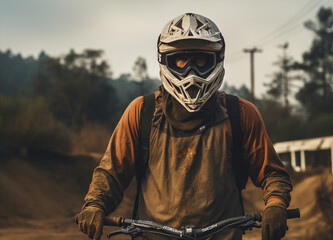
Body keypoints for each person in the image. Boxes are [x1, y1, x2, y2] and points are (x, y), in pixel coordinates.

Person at [76, 13, 292, 240]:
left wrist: (275, 205)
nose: (191, 72)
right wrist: (95, 205)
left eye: (200, 60)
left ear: (217, 59)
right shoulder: (142, 112)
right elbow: (111, 172)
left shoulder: (240, 114)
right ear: (165, 61)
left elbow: (272, 173)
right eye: (181, 60)